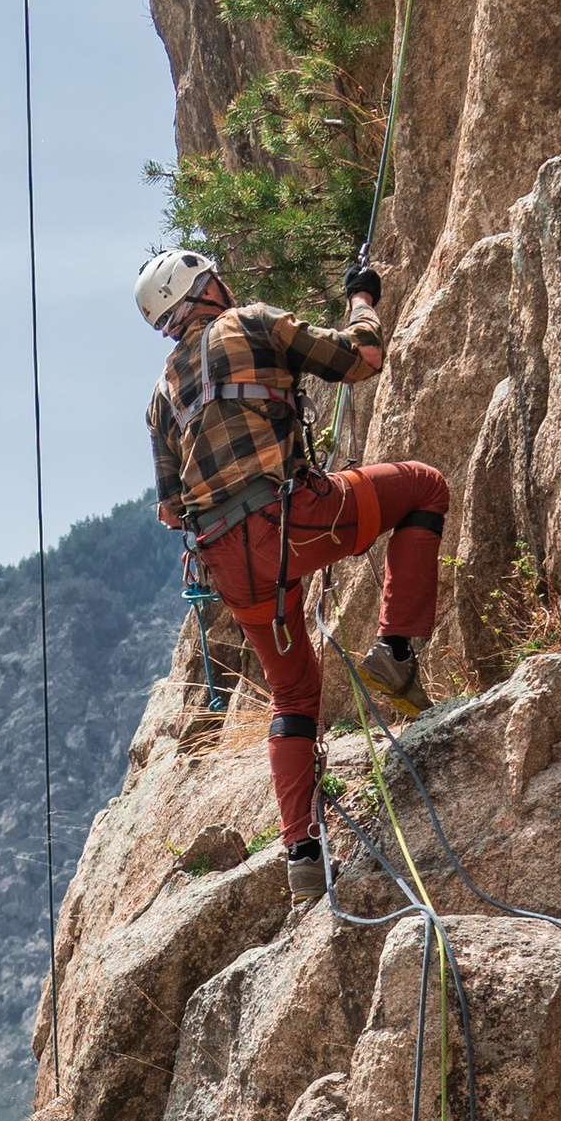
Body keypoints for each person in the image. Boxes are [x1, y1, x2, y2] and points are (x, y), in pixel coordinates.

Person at [138, 243, 450, 909]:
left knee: (293, 695)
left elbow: (171, 509)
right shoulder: (250, 322)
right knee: (425, 487)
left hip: (232, 566)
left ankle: (302, 853)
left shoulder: (161, 397)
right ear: (204, 291)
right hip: (298, 520)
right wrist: (362, 296)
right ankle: (394, 652)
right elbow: (362, 359)